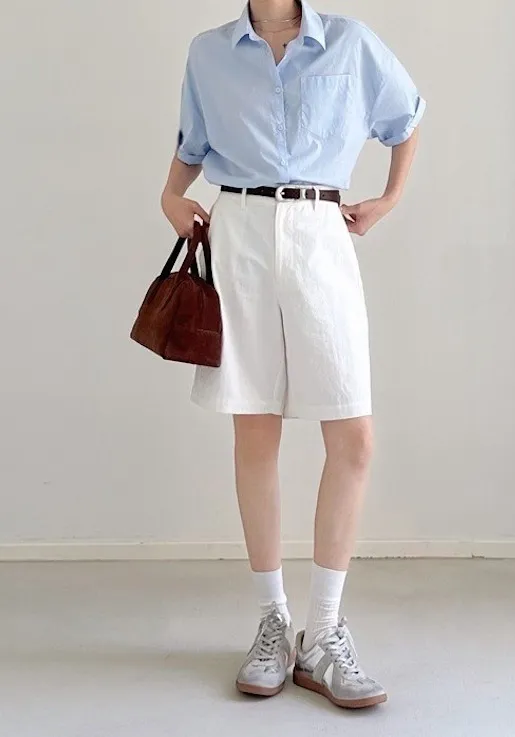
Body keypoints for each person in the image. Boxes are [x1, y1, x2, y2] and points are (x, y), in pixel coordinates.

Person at [161, 0, 425, 710]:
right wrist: (170, 195)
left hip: (319, 231)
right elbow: (192, 144)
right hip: (238, 232)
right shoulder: (209, 51)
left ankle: (325, 630)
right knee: (255, 430)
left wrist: (388, 199)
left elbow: (406, 117)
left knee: (354, 435)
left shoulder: (351, 43)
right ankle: (273, 621)